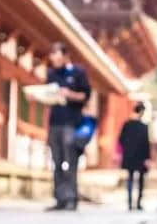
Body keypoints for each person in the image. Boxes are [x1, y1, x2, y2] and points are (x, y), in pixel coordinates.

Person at [44, 42, 91, 212]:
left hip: (71, 123)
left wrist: (69, 94)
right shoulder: (51, 74)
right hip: (55, 122)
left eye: (58, 57)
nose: (55, 61)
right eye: (52, 57)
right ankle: (59, 198)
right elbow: (48, 95)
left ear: (65, 56)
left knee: (70, 162)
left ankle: (71, 198)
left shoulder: (78, 73)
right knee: (56, 162)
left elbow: (85, 96)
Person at [119, 102, 151, 211]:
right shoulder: (143, 127)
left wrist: (127, 149)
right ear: (142, 111)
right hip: (140, 156)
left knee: (130, 178)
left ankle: (129, 203)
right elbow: (146, 144)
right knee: (140, 180)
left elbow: (121, 139)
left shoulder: (127, 125)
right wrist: (147, 158)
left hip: (129, 155)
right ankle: (137, 203)